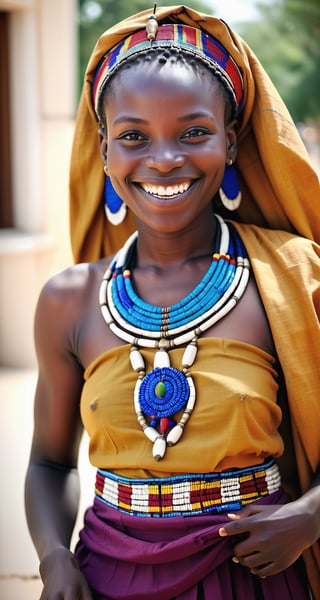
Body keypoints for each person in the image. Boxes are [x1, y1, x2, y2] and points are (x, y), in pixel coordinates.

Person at [25, 4, 320, 599]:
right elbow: (50, 464)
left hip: (256, 577)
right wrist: (55, 557)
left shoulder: (293, 278)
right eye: (134, 136)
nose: (164, 158)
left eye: (193, 133)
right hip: (107, 577)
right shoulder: (69, 300)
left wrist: (310, 516)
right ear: (105, 151)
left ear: (231, 142)